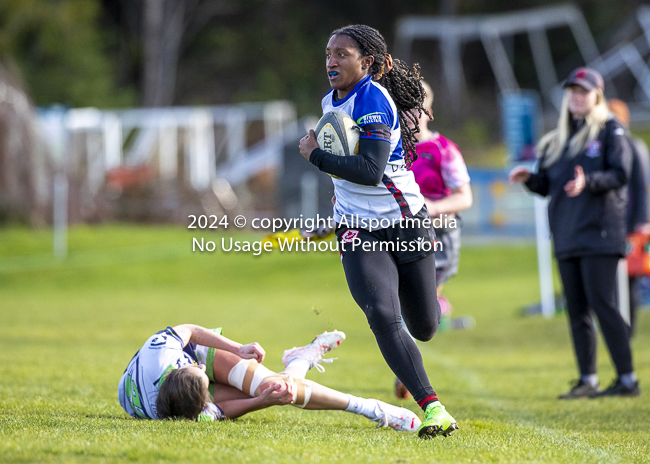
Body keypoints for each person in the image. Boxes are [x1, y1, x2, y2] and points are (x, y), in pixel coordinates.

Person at [298, 24, 458, 438]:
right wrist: (335, 216)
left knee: (424, 327)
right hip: (357, 228)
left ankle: (422, 319)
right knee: (382, 314)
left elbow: (370, 171)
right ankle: (433, 408)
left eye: (342, 54)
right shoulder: (328, 101)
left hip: (406, 222)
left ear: (366, 62)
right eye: (328, 53)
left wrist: (314, 155)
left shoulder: (373, 99)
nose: (331, 61)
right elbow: (346, 179)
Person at [509, 67, 640, 398]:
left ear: (597, 95)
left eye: (583, 91)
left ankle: (627, 379)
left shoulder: (611, 131)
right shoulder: (560, 138)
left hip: (599, 234)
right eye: (572, 91)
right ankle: (588, 379)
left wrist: (589, 182)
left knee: (604, 305)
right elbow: (549, 185)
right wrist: (530, 180)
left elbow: (621, 173)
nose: (577, 96)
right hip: (567, 236)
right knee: (577, 310)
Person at [118, 324, 422, 431]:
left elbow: (192, 331)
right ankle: (370, 408)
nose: (206, 374)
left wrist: (238, 348)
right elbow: (220, 412)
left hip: (185, 355)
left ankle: (369, 409)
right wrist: (263, 401)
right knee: (279, 388)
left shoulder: (162, 350)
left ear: (179, 366)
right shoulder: (187, 414)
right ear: (200, 405)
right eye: (207, 385)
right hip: (179, 388)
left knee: (275, 386)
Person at [394, 80, 473, 399]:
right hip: (402, 234)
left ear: (428, 111)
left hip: (439, 236)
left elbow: (464, 197)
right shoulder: (392, 148)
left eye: (414, 108)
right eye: (402, 109)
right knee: (397, 305)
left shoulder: (444, 150)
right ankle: (408, 365)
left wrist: (433, 208)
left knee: (416, 308)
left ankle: (408, 368)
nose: (408, 116)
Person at [608, 98, 650, 336]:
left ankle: (628, 329)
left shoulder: (634, 147)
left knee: (630, 278)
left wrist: (641, 223)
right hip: (615, 223)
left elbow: (642, 187)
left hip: (631, 225)